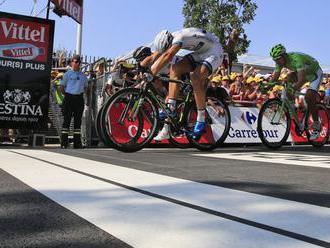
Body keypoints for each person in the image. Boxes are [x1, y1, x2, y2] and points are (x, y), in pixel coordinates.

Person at [149, 27, 239, 141]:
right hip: (200, 52)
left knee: (195, 76)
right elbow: (156, 55)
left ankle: (201, 119)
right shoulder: (168, 40)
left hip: (214, 51)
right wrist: (143, 68)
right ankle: (171, 107)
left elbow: (168, 55)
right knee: (175, 68)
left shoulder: (179, 38)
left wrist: (151, 74)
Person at [269, 44, 323, 140]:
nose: (276, 61)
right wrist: (267, 86)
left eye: (278, 59)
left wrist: (293, 89)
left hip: (314, 73)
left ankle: (316, 125)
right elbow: (275, 77)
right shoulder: (279, 62)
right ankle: (292, 107)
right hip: (304, 72)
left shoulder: (296, 59)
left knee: (309, 97)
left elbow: (301, 80)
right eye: (274, 60)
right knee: (287, 79)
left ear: (284, 56)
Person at [60, 55, 88, 148]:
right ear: (71, 62)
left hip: (79, 99)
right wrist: (68, 95)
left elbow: (86, 88)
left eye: (78, 62)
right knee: (66, 121)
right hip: (69, 98)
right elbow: (62, 87)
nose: (76, 64)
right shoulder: (67, 74)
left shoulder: (83, 76)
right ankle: (64, 143)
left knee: (77, 122)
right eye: (75, 61)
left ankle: (77, 143)